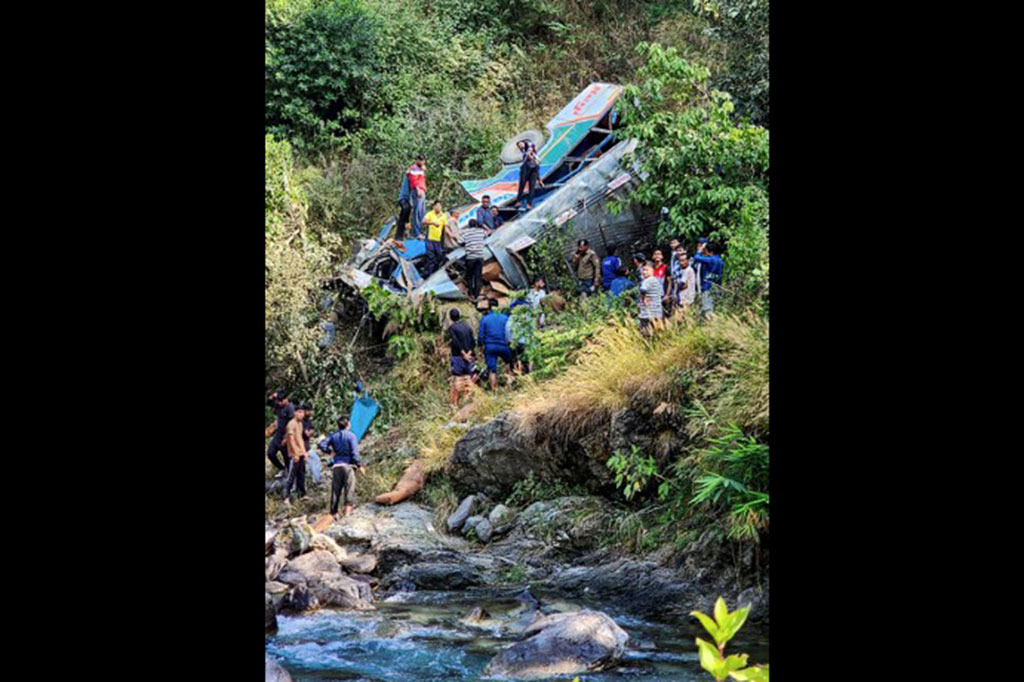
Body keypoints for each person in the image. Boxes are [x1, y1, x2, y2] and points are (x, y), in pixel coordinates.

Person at [319, 415, 364, 518]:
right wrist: (359, 465)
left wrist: (330, 451)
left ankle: (333, 513)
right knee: (349, 489)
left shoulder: (333, 435)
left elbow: (322, 444)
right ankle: (347, 513)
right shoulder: (351, 436)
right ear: (348, 424)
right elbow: (354, 453)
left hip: (337, 466)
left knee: (336, 490)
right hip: (348, 466)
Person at [477, 298, 513, 391]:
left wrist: (480, 348)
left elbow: (481, 336)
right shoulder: (505, 318)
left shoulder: (484, 319)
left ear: (489, 307)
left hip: (490, 346)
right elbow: (510, 331)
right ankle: (509, 385)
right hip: (503, 345)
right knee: (508, 363)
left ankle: (494, 392)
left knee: (492, 370)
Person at [447, 309, 478, 407]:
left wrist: (463, 354)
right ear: (459, 315)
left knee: (457, 380)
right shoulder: (467, 327)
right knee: (469, 379)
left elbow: (456, 342)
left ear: (450, 317)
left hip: (458, 357)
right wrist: (469, 353)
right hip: (470, 357)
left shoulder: (452, 328)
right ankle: (468, 402)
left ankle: (455, 405)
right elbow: (473, 342)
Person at [282, 404, 309, 506]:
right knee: (291, 476)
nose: (302, 414)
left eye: (303, 412)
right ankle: (286, 496)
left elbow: (300, 440)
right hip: (294, 454)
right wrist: (295, 454)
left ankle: (302, 494)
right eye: (300, 412)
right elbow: (291, 441)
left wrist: (304, 452)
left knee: (301, 473)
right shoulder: (291, 424)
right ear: (295, 413)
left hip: (300, 453)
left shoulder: (300, 424)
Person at [691, 238, 724, 316]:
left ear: (710, 252)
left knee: (708, 310)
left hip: (707, 286)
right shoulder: (720, 261)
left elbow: (696, 257)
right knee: (715, 309)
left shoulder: (710, 260)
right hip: (717, 286)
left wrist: (700, 250)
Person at [265, 389, 294, 474]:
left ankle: (288, 474)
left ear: (286, 399)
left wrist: (286, 437)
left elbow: (292, 425)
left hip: (286, 436)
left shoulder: (290, 408)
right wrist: (272, 396)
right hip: (278, 435)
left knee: (286, 457)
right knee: (270, 453)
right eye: (278, 401)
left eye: (281, 401)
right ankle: (282, 468)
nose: (279, 403)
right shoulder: (279, 406)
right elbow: (268, 403)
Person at [461, 218, 488, 300]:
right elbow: (486, 234)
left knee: (469, 276)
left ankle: (471, 293)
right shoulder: (481, 231)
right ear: (476, 225)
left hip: (470, 257)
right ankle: (476, 295)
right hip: (479, 256)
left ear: (469, 226)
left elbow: (460, 241)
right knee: (477, 276)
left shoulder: (465, 232)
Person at [514, 139, 543, 210]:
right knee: (522, 185)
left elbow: (537, 170)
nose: (520, 146)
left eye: (521, 144)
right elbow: (527, 154)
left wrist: (539, 180)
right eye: (519, 146)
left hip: (533, 171)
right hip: (525, 169)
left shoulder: (529, 148)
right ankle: (518, 201)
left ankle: (529, 204)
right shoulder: (524, 155)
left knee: (532, 187)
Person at [422, 200, 448, 276]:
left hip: (438, 239)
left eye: (439, 206)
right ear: (433, 207)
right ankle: (427, 273)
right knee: (431, 256)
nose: (438, 207)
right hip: (429, 238)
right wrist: (432, 223)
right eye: (436, 206)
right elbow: (423, 221)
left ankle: (434, 271)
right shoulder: (430, 214)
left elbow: (445, 228)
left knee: (440, 255)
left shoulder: (443, 216)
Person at [638, 262, 664, 334]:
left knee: (646, 334)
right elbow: (661, 294)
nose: (644, 272)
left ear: (652, 270)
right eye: (643, 270)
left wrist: (643, 300)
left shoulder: (646, 281)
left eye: (647, 270)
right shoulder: (657, 280)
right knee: (656, 334)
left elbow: (642, 290)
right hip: (657, 312)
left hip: (647, 313)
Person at [670, 248, 696, 313]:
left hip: (687, 298)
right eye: (680, 261)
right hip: (682, 297)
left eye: (683, 260)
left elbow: (681, 284)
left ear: (688, 260)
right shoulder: (681, 270)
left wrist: (675, 291)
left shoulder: (688, 270)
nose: (681, 263)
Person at [407, 155, 427, 238]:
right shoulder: (414, 168)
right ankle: (417, 232)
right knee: (417, 211)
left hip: (422, 190)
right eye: (420, 160)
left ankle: (422, 231)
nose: (422, 162)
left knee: (422, 211)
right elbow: (413, 179)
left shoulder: (420, 168)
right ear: (417, 160)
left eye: (423, 160)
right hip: (417, 191)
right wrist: (418, 189)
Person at [396, 168, 412, 241]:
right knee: (406, 208)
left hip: (407, 200)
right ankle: (406, 224)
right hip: (403, 198)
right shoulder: (409, 176)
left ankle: (400, 235)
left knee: (403, 216)